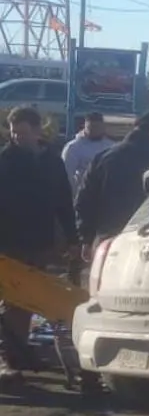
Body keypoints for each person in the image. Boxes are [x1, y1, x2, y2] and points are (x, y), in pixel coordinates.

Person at [0, 106, 78, 382]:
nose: (17, 137)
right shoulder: (5, 161)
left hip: (42, 242)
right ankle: (10, 360)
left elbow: (63, 203)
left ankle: (23, 354)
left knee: (38, 300)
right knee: (13, 302)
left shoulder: (52, 162)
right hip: (10, 244)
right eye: (13, 132)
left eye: (22, 132)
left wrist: (73, 239)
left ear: (36, 131)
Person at [76, 112, 149, 259]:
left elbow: (85, 200)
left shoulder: (104, 157)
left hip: (108, 239)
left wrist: (86, 239)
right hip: (148, 239)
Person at [61, 112, 114, 193]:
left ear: (103, 127)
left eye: (98, 127)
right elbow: (66, 174)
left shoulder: (111, 146)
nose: (95, 130)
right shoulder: (73, 147)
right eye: (91, 127)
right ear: (85, 126)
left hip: (107, 194)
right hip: (83, 194)